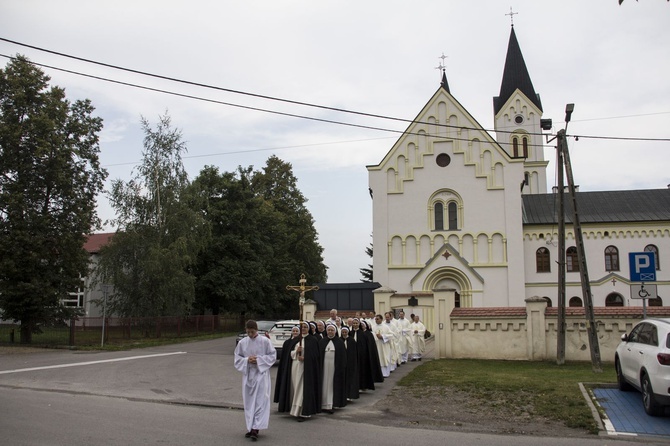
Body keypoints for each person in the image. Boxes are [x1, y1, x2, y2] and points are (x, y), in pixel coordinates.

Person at [234, 320, 277, 441]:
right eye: (248, 332)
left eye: (252, 332)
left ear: (256, 330)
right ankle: (251, 426)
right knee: (249, 402)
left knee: (260, 401)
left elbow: (272, 356)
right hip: (248, 375)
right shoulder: (243, 342)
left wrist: (258, 360)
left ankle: (256, 428)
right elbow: (237, 358)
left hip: (261, 374)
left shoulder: (265, 341)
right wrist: (247, 360)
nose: (250, 334)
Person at [274, 321, 321, 421]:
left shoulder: (313, 340)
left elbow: (316, 356)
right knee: (295, 387)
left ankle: (302, 412)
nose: (303, 328)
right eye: (302, 327)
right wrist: (296, 352)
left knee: (302, 389)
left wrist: (305, 357)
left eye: (305, 327)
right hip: (295, 366)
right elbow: (289, 355)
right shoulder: (295, 339)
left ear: (308, 329)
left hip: (306, 368)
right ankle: (294, 409)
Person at [318, 324, 347, 413]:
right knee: (323, 384)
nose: (330, 332)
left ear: (335, 331)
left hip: (335, 368)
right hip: (324, 367)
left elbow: (343, 357)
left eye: (332, 330)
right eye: (328, 330)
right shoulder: (322, 341)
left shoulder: (339, 342)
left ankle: (331, 404)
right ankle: (322, 404)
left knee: (331, 385)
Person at [340, 326, 360, 401]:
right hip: (342, 363)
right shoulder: (339, 340)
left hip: (350, 363)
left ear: (348, 332)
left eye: (345, 332)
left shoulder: (352, 341)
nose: (344, 333)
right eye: (343, 332)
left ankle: (350, 395)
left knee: (350, 379)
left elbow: (354, 352)